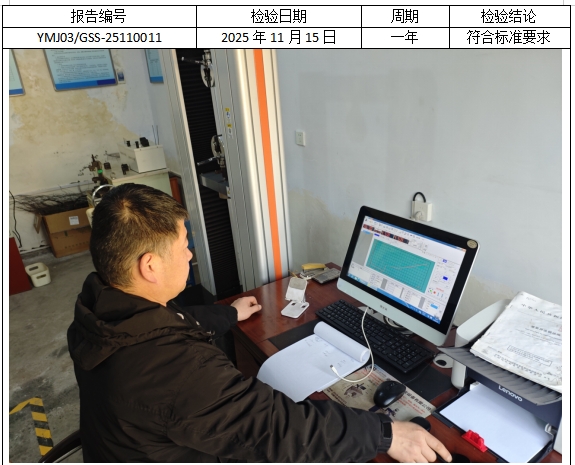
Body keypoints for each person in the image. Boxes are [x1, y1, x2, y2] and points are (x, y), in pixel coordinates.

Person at [67, 183, 452, 463]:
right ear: (150, 266)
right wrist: (386, 434)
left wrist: (229, 313)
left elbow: (169, 322)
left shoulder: (99, 309)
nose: (189, 256)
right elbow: (277, 428)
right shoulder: (176, 369)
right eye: (184, 246)